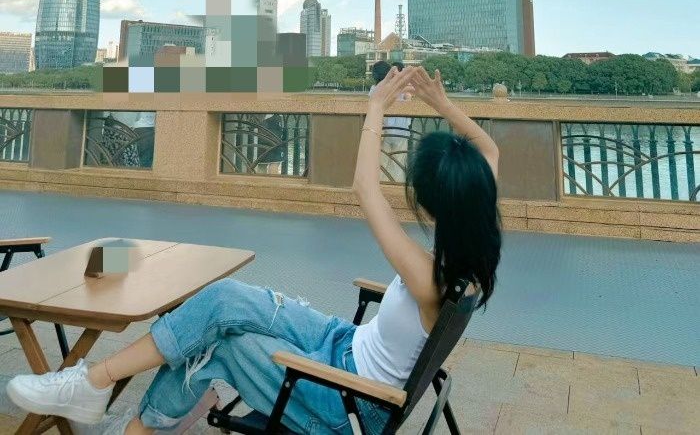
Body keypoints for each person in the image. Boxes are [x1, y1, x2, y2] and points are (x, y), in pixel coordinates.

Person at [6, 67, 501, 435]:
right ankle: (93, 385)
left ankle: (120, 415)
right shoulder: (472, 241)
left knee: (217, 344)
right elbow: (491, 149)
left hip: (345, 399)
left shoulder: (427, 277)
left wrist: (376, 107)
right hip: (345, 344)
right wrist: (441, 102)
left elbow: (365, 189)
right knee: (222, 301)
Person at [368, 60, 412, 182]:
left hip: (383, 132)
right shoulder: (399, 88)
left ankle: (382, 186)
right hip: (401, 132)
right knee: (399, 164)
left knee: (382, 165)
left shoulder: (374, 90)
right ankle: (396, 188)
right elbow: (409, 99)